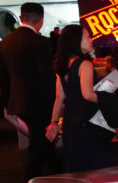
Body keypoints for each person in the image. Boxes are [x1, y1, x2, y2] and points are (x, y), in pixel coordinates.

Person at [0, 2, 57, 183]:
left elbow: (2, 77)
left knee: (42, 140)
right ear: (41, 20)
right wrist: (57, 102)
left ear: (21, 18)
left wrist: (9, 103)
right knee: (37, 144)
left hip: (19, 103)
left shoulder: (5, 43)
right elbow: (47, 76)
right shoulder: (41, 42)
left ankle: (58, 172)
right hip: (39, 103)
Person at [47, 24, 114, 172]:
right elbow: (88, 94)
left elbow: (59, 97)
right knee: (97, 164)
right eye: (87, 36)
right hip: (88, 119)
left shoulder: (63, 64)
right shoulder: (85, 64)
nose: (91, 39)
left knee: (76, 163)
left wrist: (54, 123)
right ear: (76, 40)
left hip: (71, 119)